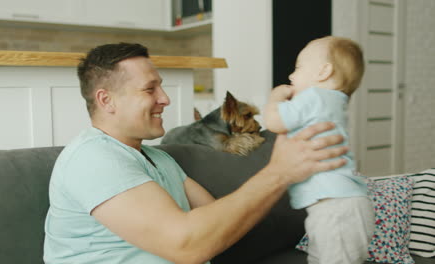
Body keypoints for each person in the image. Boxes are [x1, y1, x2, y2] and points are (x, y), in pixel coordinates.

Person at [43, 42, 349, 264]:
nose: (165, 99)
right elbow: (188, 245)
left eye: (161, 87)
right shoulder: (93, 158)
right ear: (106, 100)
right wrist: (279, 172)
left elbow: (218, 225)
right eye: (150, 90)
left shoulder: (159, 159)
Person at [263, 36, 375, 264]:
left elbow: (274, 122)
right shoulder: (333, 102)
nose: (291, 76)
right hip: (339, 205)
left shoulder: (315, 97)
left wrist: (274, 98)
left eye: (298, 67)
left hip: (335, 206)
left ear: (324, 72)